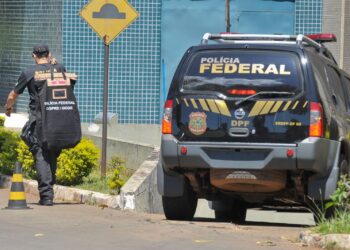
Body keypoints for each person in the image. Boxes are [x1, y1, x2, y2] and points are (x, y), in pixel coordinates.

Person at [5, 44, 69, 206]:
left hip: (38, 119)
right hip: (57, 117)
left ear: (34, 56)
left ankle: (46, 195)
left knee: (40, 153)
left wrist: (8, 108)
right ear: (48, 54)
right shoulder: (59, 68)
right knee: (52, 152)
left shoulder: (28, 72)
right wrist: (53, 64)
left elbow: (13, 94)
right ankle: (49, 187)